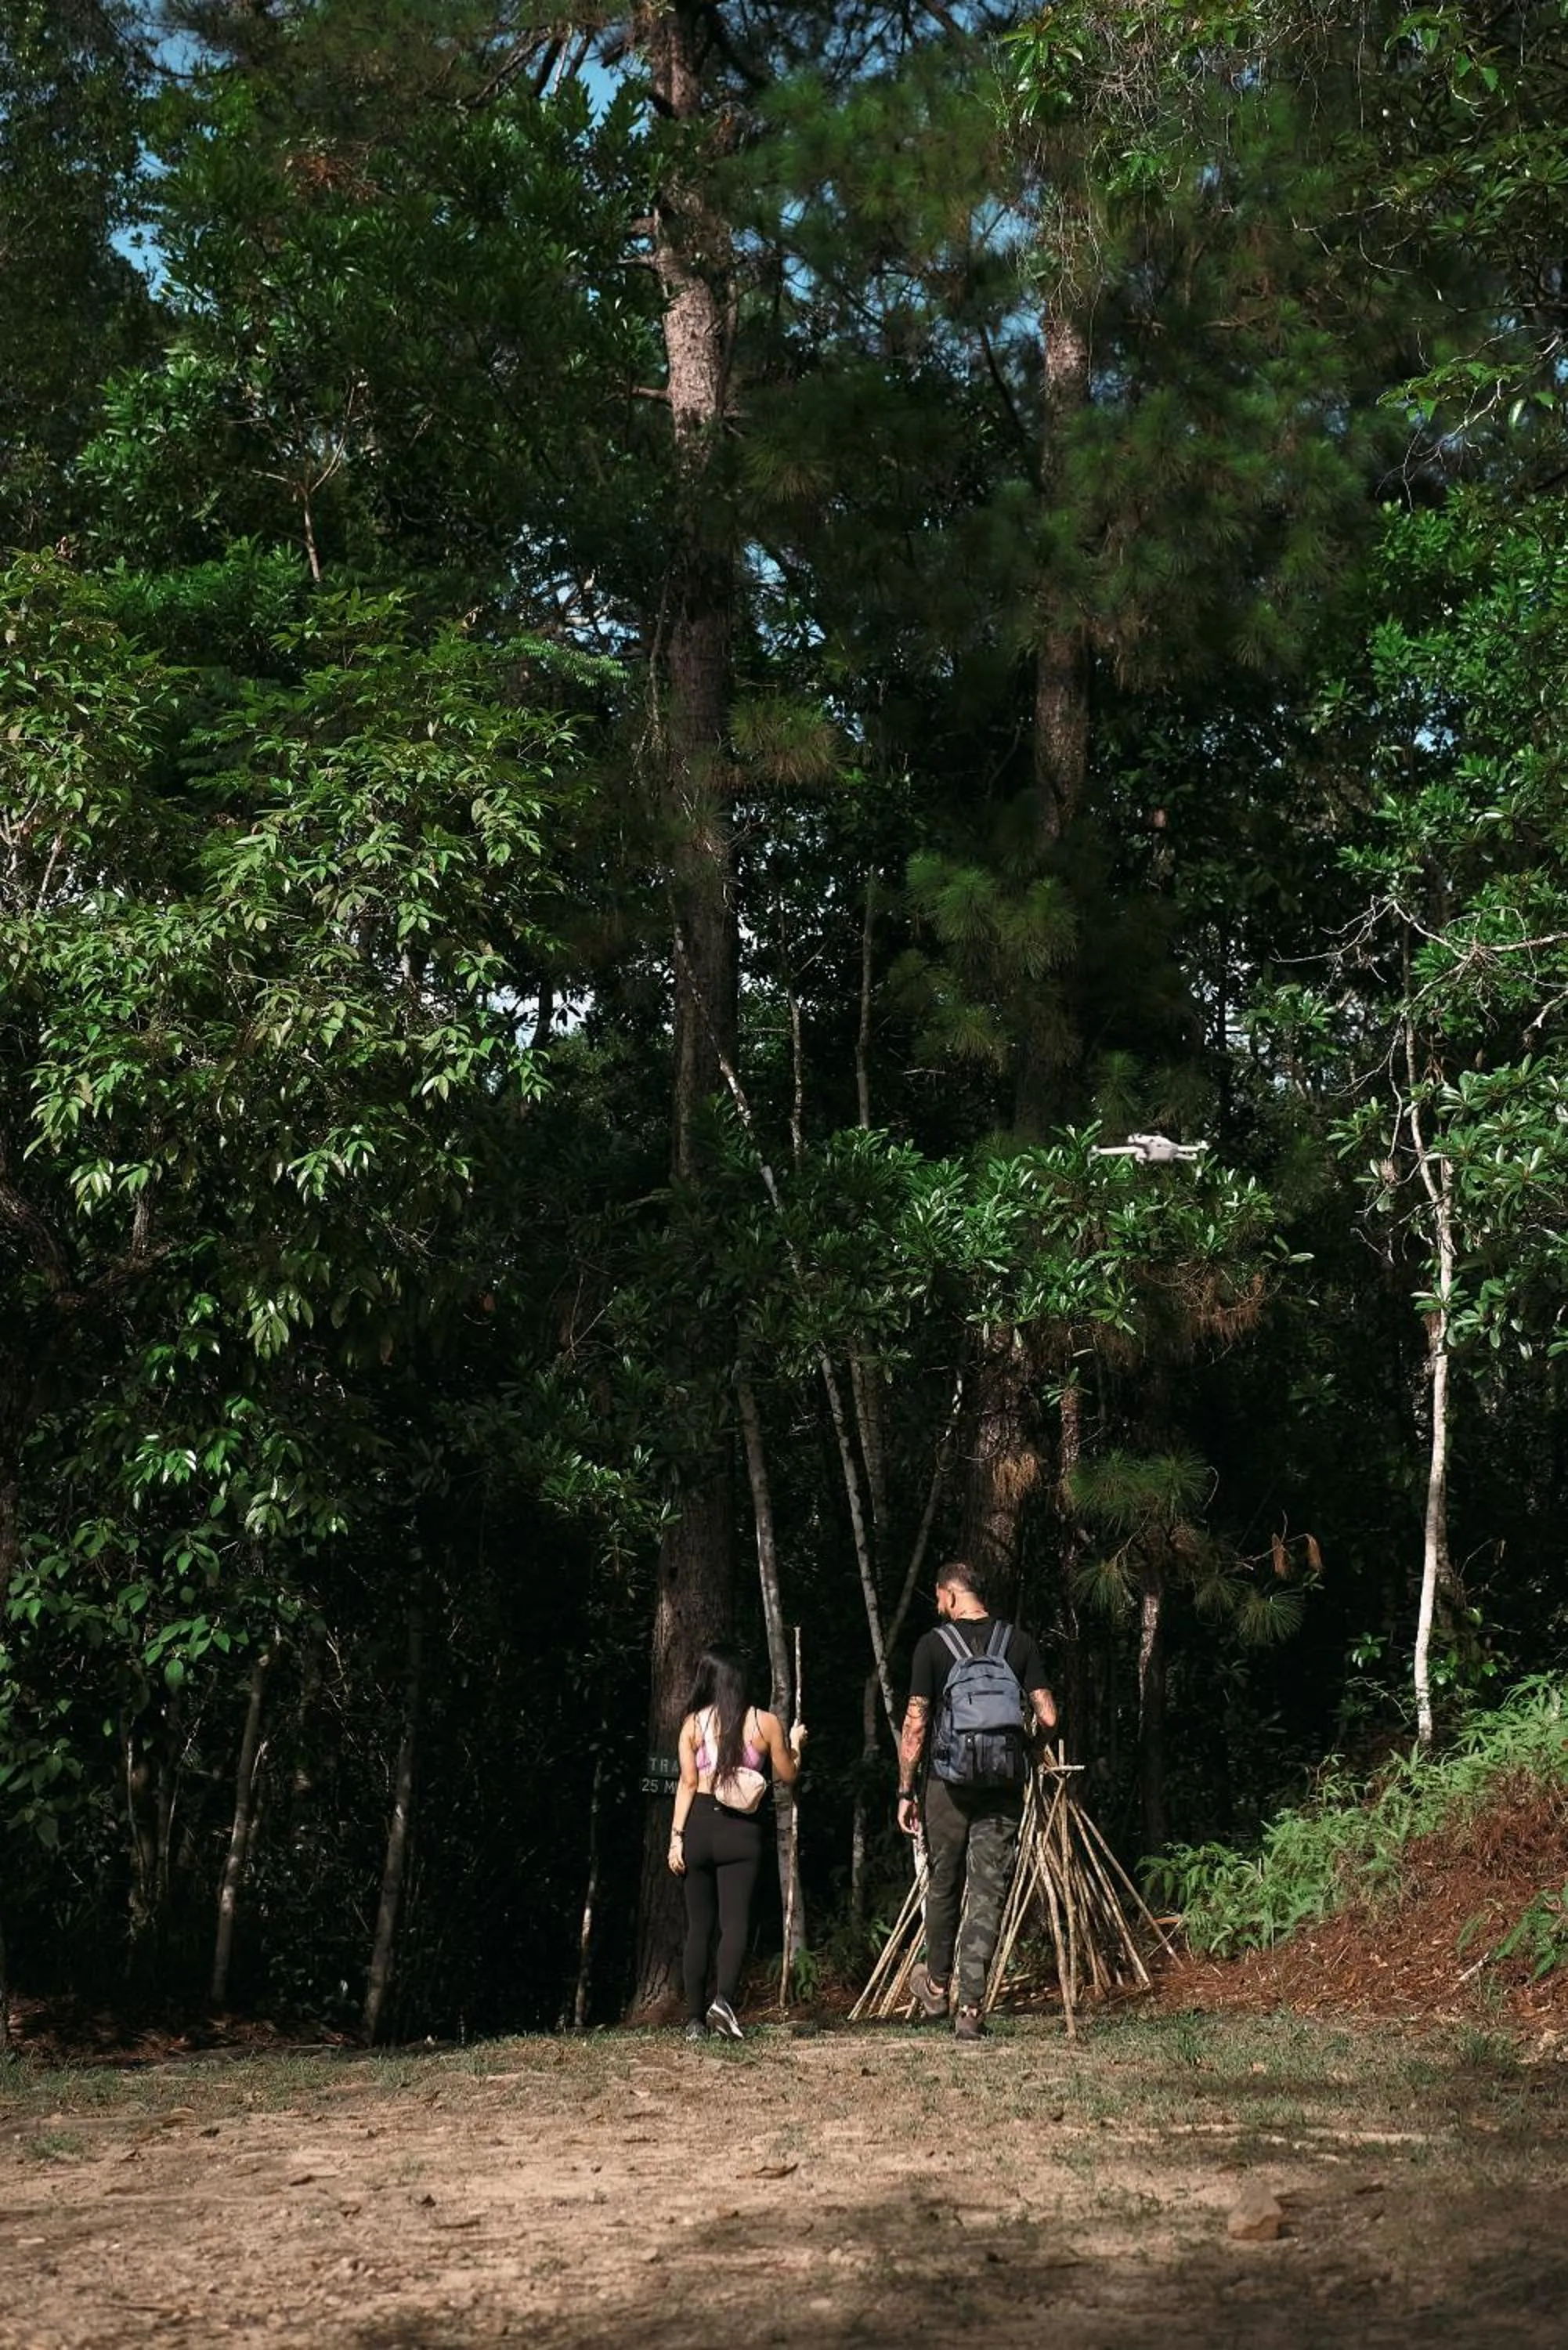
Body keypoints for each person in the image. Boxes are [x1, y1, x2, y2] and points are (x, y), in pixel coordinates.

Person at [896, 1560, 1057, 2041]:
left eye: (938, 1597)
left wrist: (906, 1789)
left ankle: (937, 1986)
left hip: (948, 1785)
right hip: (1003, 1785)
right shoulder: (1019, 1643)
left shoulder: (932, 1646)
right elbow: (1047, 1714)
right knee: (989, 1889)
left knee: (944, 1883)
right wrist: (1025, 1750)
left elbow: (916, 1724)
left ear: (949, 1595)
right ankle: (971, 2008)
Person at [667, 1645, 804, 2041]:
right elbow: (787, 1774)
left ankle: (694, 2020)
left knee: (699, 1928)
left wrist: (676, 1838)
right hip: (741, 1832)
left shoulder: (692, 1724)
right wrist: (796, 1741)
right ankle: (722, 2003)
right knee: (735, 1923)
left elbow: (688, 1784)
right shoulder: (765, 1724)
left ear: (707, 1681)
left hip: (697, 1828)